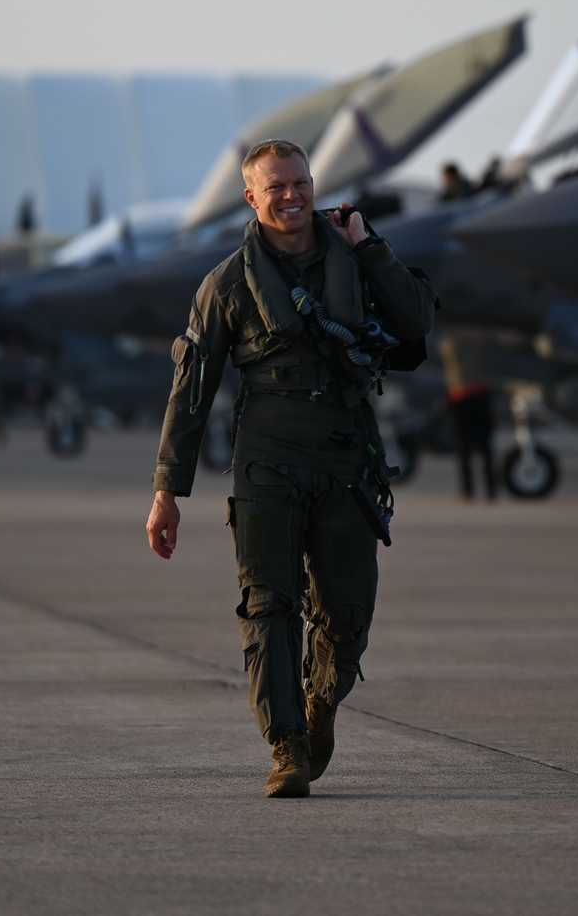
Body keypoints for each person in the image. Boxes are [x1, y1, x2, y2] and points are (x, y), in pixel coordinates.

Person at [144, 139, 435, 798]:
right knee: (268, 604)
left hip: (346, 456)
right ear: (251, 198)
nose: (291, 196)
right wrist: (167, 492)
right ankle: (287, 746)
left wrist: (369, 246)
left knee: (347, 614)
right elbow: (190, 393)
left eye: (300, 182)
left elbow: (415, 320)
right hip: (268, 458)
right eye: (275, 187)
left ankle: (321, 703)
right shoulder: (226, 284)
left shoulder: (357, 261)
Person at [439, 332, 497, 501]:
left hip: (465, 395)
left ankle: (473, 491)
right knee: (478, 448)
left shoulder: (450, 342)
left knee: (470, 448)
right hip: (470, 395)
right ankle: (484, 490)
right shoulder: (480, 340)